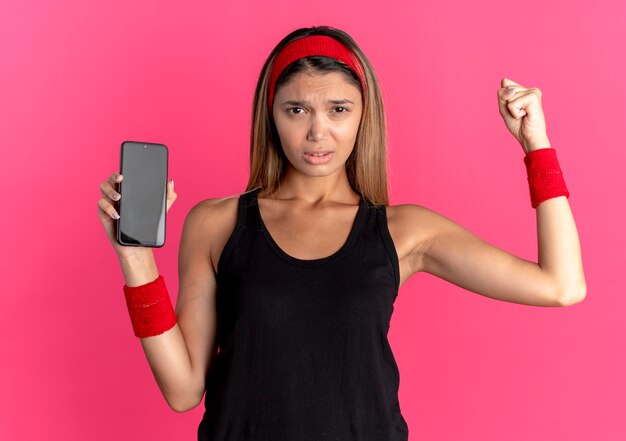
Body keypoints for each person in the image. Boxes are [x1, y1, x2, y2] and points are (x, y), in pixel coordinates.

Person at [97, 25, 586, 441]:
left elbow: (561, 286)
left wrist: (535, 144)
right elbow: (183, 392)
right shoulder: (216, 223)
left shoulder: (404, 231)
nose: (317, 133)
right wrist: (134, 259)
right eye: (296, 110)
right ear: (271, 116)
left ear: (362, 115)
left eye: (338, 110)